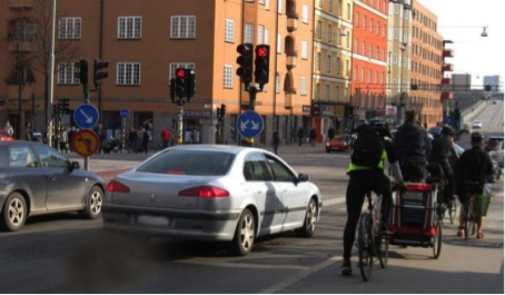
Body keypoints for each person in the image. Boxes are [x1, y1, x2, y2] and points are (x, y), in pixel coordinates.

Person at [341, 121, 403, 276]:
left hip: (356, 179)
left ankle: (346, 261)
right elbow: (394, 164)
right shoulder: (385, 140)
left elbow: (352, 157)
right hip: (375, 177)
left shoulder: (358, 137)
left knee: (352, 220)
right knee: (388, 191)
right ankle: (383, 225)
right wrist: (401, 182)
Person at [453, 132, 494, 239]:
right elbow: (490, 170)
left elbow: (457, 167)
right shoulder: (485, 155)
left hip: (466, 185)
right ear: (481, 143)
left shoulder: (466, 154)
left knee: (464, 205)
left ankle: (461, 229)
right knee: (480, 206)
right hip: (479, 185)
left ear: (472, 142)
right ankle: (479, 231)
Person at [393, 110, 431, 182]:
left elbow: (395, 147)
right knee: (421, 182)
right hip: (419, 161)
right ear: (416, 118)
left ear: (406, 118)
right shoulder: (421, 131)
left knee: (402, 183)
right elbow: (428, 147)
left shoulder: (400, 130)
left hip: (404, 162)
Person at [429, 126, 456, 210]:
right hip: (443, 165)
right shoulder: (449, 142)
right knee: (452, 177)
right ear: (449, 136)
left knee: (433, 179)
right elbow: (455, 156)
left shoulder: (434, 140)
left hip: (431, 165)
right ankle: (449, 198)